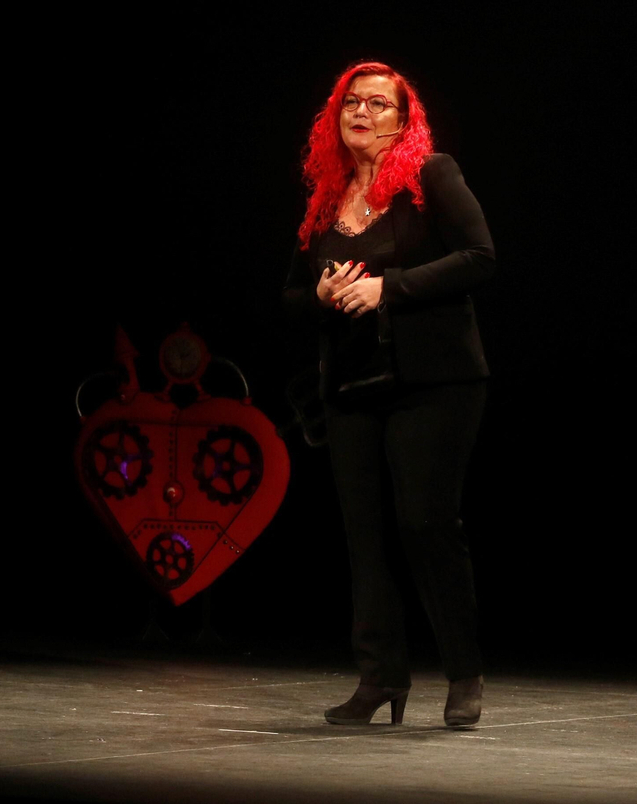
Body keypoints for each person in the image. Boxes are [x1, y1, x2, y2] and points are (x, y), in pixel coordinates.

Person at [281, 61, 495, 727]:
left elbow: (480, 257)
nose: (362, 113)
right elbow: (291, 294)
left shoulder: (432, 176)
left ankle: (463, 672)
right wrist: (319, 295)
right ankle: (379, 678)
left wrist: (387, 288)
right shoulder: (328, 196)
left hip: (432, 382)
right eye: (351, 102)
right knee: (365, 536)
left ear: (404, 120)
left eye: (378, 104)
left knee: (425, 522)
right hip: (351, 386)